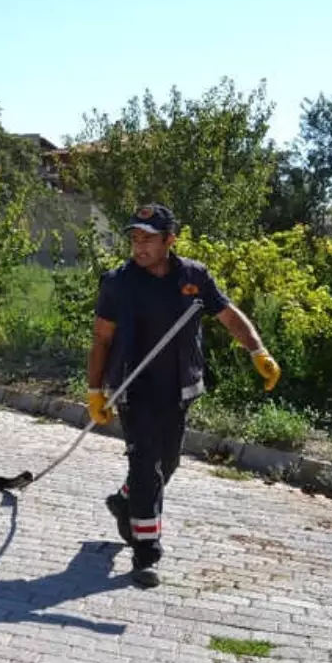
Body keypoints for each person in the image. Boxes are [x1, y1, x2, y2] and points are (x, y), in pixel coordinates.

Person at [86, 204, 280, 587]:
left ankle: (125, 501)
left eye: (148, 239)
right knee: (146, 466)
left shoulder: (193, 277)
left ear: (169, 240)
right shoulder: (118, 282)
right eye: (134, 238)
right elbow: (102, 337)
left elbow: (228, 315)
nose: (139, 246)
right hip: (132, 387)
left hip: (179, 386)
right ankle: (146, 552)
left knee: (167, 463)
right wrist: (95, 390)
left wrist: (258, 351)